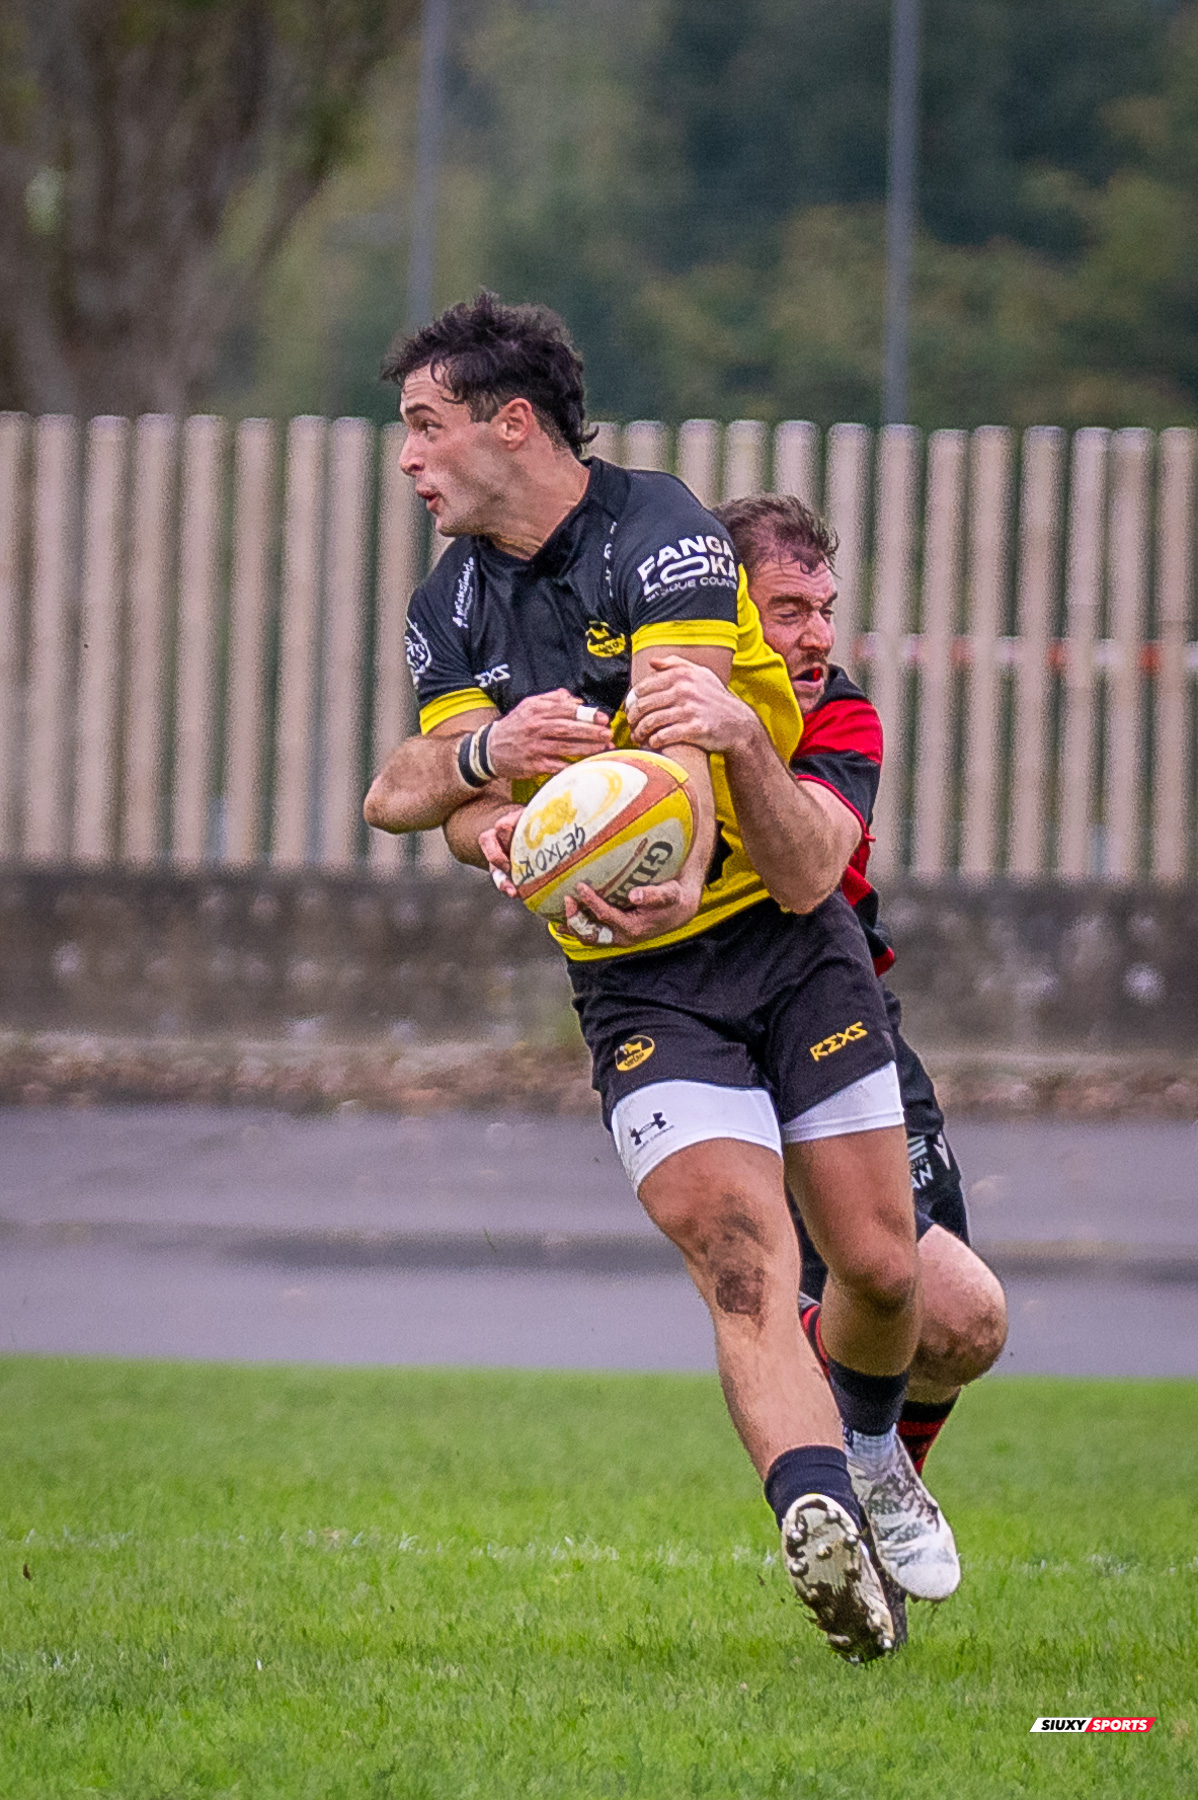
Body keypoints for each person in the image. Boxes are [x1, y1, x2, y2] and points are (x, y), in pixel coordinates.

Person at [365, 292, 958, 1663]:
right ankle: (822, 1540)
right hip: (639, 988)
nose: (407, 459)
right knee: (744, 1266)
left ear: (509, 426)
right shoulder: (448, 606)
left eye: (423, 428)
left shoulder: (664, 527)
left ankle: (868, 1451)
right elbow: (415, 797)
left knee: (875, 1266)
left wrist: (682, 854)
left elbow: (687, 711)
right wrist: (496, 802)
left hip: (777, 940)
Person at [624, 491, 1008, 1485]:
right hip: (724, 1039)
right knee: (821, 1295)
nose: (818, 633)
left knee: (955, 1326)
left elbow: (809, 869)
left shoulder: (838, 711)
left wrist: (743, 743)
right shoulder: (642, 710)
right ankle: (837, 1484)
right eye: (789, 609)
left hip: (850, 1018)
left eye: (825, 608)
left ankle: (882, 1478)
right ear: (725, 612)